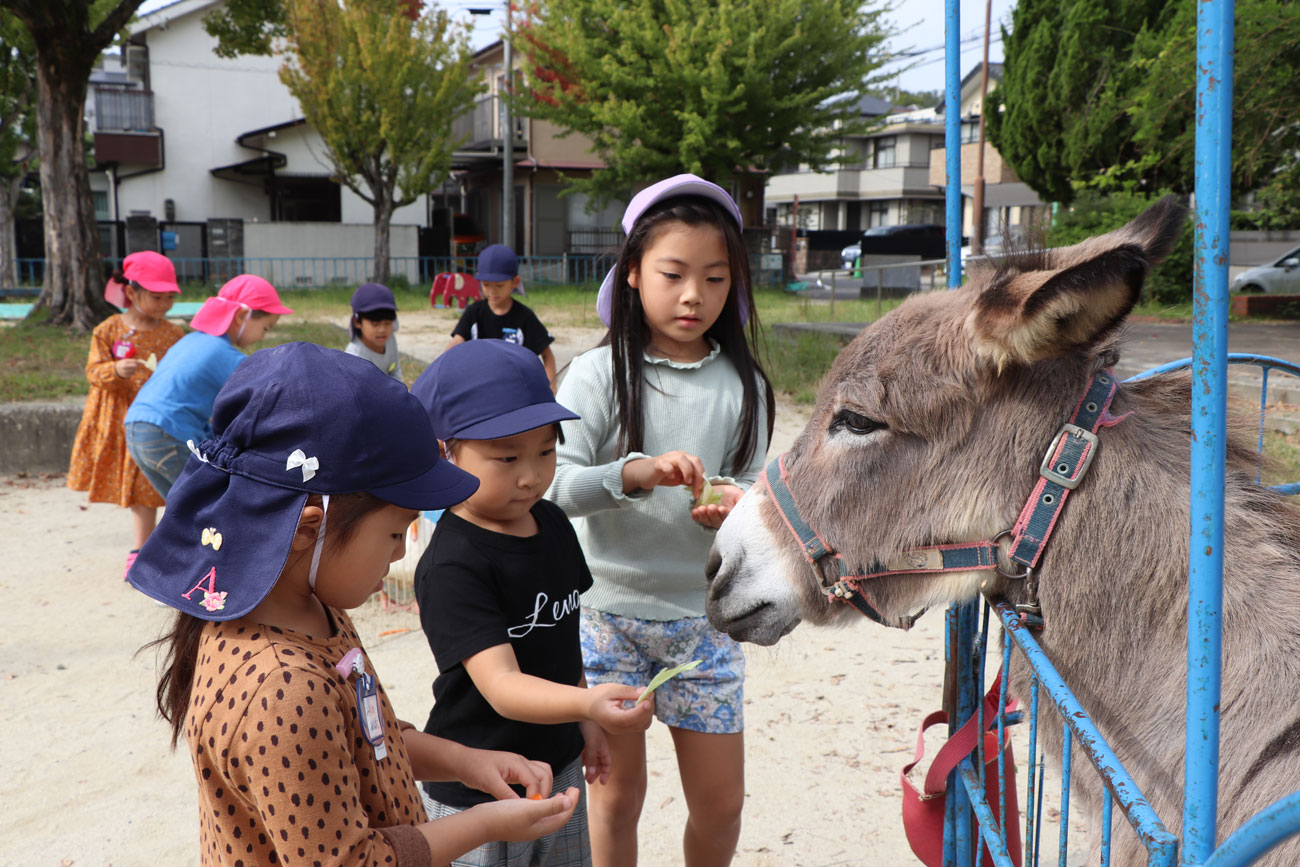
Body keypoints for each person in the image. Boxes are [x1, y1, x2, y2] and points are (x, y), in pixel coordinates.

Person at [131, 342, 581, 866]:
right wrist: (482, 823)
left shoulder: (312, 609)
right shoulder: (282, 689)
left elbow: (367, 742)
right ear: (310, 531)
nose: (399, 553)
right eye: (395, 532)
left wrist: (466, 762)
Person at [545, 174, 775, 867]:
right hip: (604, 616)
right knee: (615, 800)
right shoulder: (593, 374)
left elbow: (757, 492)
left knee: (721, 807)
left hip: (704, 621)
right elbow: (550, 486)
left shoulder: (747, 386)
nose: (692, 296)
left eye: (714, 277)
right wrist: (632, 473)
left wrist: (734, 510)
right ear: (633, 273)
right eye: (673, 273)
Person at [408, 339, 654, 867]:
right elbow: (502, 687)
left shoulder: (555, 525)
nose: (530, 475)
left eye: (545, 452)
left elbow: (563, 645)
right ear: (446, 449)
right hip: (480, 783)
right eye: (506, 456)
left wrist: (584, 723)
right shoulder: (455, 562)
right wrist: (587, 707)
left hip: (558, 767)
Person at [67, 251, 186, 580]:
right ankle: (141, 550)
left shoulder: (174, 335)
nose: (164, 304)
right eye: (157, 297)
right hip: (120, 418)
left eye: (169, 298)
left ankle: (156, 547)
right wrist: (115, 370)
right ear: (131, 293)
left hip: (159, 419)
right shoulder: (107, 330)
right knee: (138, 488)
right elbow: (93, 372)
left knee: (155, 484)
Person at [124, 274, 291, 499]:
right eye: (265, 328)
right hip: (167, 432)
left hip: (136, 429)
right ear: (242, 316)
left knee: (183, 512)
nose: (262, 337)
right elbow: (271, 401)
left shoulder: (192, 340)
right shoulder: (225, 355)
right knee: (209, 507)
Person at [447, 243, 558, 390]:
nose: (492, 291)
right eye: (486, 285)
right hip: (480, 388)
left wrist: (552, 388)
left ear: (515, 282)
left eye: (499, 285)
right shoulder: (473, 313)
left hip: (517, 390)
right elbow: (457, 340)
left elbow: (547, 355)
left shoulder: (524, 316)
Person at [346, 281, 403, 380]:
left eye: (388, 323)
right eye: (375, 324)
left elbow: (395, 370)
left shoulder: (390, 340)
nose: (382, 330)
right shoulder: (354, 356)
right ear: (357, 322)